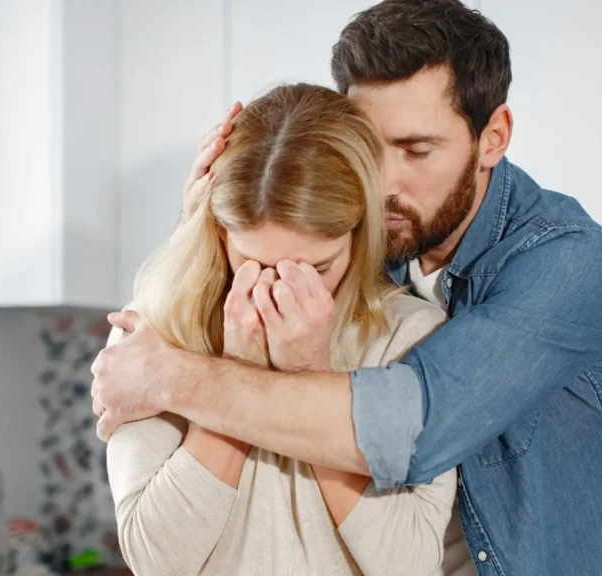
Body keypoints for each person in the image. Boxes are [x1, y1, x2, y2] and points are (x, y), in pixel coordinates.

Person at [92, 1, 602, 575]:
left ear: (493, 137)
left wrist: (167, 376)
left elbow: (405, 426)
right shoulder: (370, 248)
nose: (380, 184)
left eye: (416, 150)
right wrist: (205, 230)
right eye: (367, 147)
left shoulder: (571, 263)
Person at [103, 83, 471, 575]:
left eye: (316, 270)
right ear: (218, 231)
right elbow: (158, 561)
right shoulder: (157, 336)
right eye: (254, 263)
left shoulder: (414, 338)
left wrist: (309, 375)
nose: (279, 292)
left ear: (360, 235)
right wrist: (238, 369)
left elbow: (408, 565)